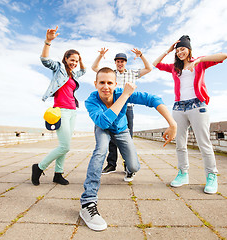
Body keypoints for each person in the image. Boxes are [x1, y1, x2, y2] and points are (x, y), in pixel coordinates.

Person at [79, 67, 177, 231]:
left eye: (110, 83)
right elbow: (103, 122)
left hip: (122, 130)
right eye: (101, 82)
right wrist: (125, 95)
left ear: (115, 84)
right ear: (95, 84)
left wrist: (172, 123)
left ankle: (130, 168)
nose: (106, 87)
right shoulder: (91, 100)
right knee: (100, 150)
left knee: (133, 166)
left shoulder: (119, 92)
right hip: (103, 128)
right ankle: (88, 201)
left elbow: (153, 99)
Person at [153, 35, 227, 194]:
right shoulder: (175, 67)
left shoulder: (200, 62)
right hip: (179, 108)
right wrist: (168, 50)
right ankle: (183, 173)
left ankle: (211, 176)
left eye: (183, 49)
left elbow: (224, 56)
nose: (180, 52)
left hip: (198, 106)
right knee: (180, 144)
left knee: (203, 143)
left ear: (189, 50)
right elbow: (156, 64)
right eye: (178, 50)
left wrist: (199, 61)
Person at [31, 26, 86, 186]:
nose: (74, 63)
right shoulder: (59, 68)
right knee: (65, 146)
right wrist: (48, 41)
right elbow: (45, 60)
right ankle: (39, 167)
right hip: (60, 111)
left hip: (72, 111)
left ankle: (58, 174)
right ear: (65, 59)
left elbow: (84, 70)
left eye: (76, 60)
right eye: (72, 60)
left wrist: (80, 59)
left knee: (64, 146)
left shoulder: (74, 74)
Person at [91, 48, 153, 180]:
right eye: (118, 61)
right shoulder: (110, 74)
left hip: (127, 108)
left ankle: (128, 167)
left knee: (126, 137)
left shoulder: (132, 73)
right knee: (110, 138)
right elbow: (94, 68)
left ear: (125, 63)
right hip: (111, 108)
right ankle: (111, 164)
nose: (120, 63)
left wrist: (141, 55)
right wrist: (101, 56)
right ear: (115, 63)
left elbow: (149, 68)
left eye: (122, 61)